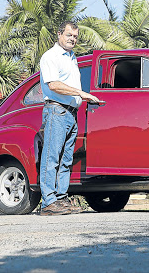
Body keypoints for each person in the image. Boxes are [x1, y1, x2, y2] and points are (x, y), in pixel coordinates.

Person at [39, 21, 101, 216]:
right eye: (69, 35)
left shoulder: (72, 58)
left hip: (71, 114)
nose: (72, 39)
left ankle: (61, 199)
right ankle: (48, 202)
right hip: (56, 112)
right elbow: (54, 85)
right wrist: (82, 94)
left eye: (75, 36)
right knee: (51, 158)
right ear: (59, 35)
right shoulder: (51, 57)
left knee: (66, 160)